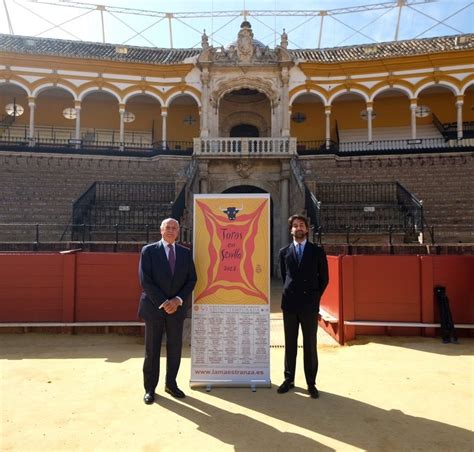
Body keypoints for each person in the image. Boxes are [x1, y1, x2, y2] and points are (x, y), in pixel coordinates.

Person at [138, 218, 197, 404]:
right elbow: (145, 281)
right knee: (152, 349)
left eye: (174, 228)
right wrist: (165, 302)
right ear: (161, 230)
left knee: (174, 348)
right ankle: (150, 388)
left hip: (176, 309)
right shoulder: (148, 251)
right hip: (155, 307)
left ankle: (171, 384)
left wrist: (178, 300)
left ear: (178, 232)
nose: (171, 230)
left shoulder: (185, 253)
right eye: (168, 227)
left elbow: (191, 280)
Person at [277, 214, 329, 399]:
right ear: (291, 230)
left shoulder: (317, 251)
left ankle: (311, 383)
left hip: (309, 305)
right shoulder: (284, 252)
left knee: (310, 344)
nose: (298, 228)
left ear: (307, 229)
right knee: (290, 343)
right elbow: (286, 277)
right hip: (290, 303)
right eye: (295, 226)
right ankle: (288, 379)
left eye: (302, 225)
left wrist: (315, 299)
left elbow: (324, 279)